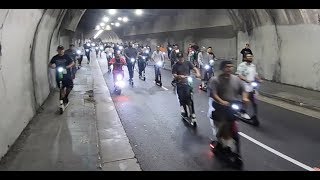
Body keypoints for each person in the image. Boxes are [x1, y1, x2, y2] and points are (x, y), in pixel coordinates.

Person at [207, 60, 249, 148]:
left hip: (231, 106)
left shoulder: (236, 79)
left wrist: (245, 97)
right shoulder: (215, 80)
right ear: (222, 68)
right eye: (227, 67)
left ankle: (235, 148)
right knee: (223, 123)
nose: (229, 69)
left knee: (233, 123)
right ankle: (219, 138)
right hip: (219, 106)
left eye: (231, 67)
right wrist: (221, 101)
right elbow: (213, 94)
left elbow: (243, 90)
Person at [172, 52, 201, 124]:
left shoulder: (188, 63)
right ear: (177, 59)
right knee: (182, 98)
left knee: (190, 97)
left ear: (183, 57)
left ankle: (193, 113)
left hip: (188, 83)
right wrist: (178, 76)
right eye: (179, 58)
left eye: (181, 58)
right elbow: (174, 74)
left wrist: (197, 73)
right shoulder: (175, 66)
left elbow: (195, 68)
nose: (180, 59)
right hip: (180, 83)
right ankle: (185, 111)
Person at [236, 54, 262, 119]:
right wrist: (246, 80)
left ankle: (255, 114)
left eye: (251, 57)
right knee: (246, 100)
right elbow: (239, 74)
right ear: (245, 58)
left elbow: (255, 74)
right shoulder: (242, 65)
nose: (250, 58)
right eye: (248, 57)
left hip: (252, 85)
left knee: (255, 100)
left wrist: (259, 79)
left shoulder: (253, 66)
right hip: (244, 84)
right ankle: (243, 112)